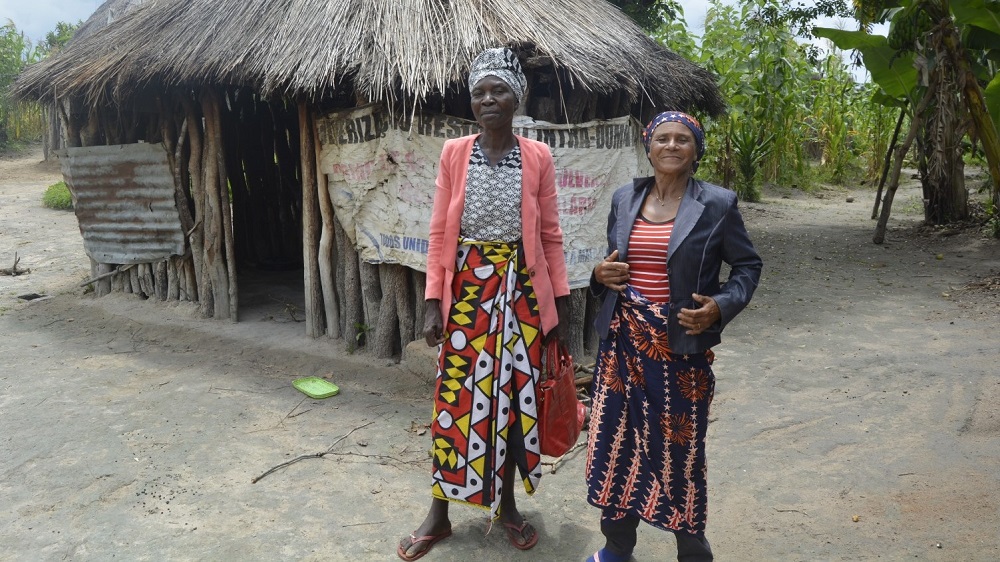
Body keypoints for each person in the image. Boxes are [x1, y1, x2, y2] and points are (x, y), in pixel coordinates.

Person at [397, 47, 571, 561]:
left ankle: (507, 507)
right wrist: (434, 303)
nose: (488, 99)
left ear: (517, 97)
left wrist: (556, 310)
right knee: (454, 403)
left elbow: (552, 238)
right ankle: (439, 514)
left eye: (498, 90)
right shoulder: (455, 152)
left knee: (515, 404)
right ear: (471, 103)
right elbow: (437, 234)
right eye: (479, 92)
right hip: (469, 293)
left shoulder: (537, 156)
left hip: (520, 294)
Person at [584, 111, 762, 562]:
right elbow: (612, 264)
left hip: (679, 352)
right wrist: (599, 274)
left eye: (683, 139)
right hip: (621, 345)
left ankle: (692, 550)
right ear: (648, 146)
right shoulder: (626, 198)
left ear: (696, 150)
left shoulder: (717, 204)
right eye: (662, 138)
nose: (671, 145)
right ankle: (616, 549)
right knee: (615, 447)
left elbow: (747, 266)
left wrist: (720, 306)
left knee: (677, 453)